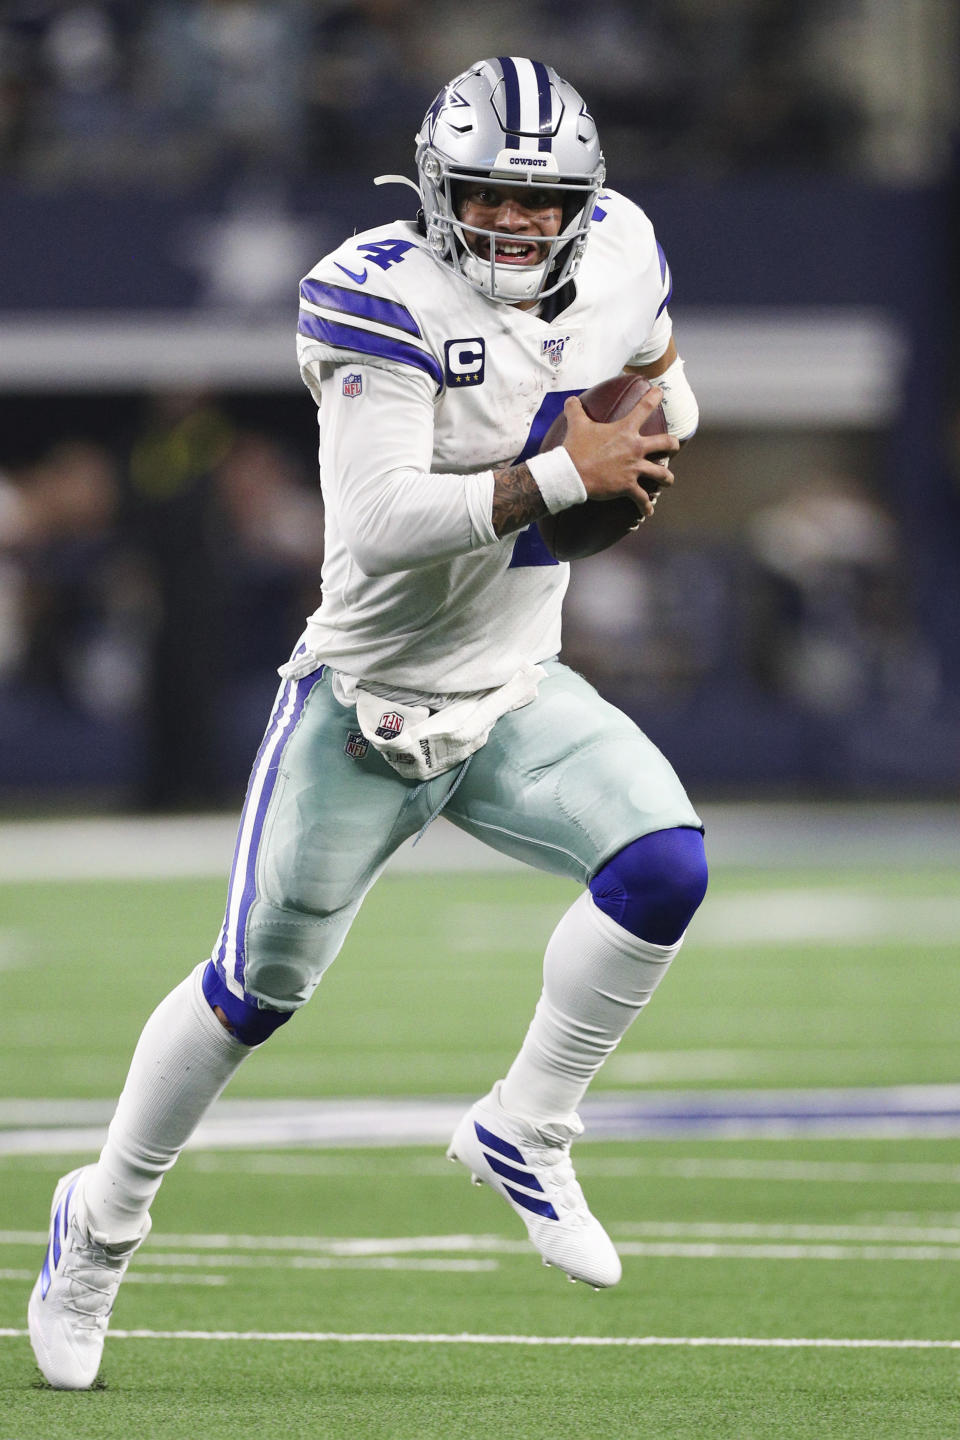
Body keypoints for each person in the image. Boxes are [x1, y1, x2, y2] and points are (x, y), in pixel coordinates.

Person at [28, 56, 708, 1390]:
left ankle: (525, 1126)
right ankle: (100, 1221)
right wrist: (571, 468)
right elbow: (385, 527)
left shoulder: (621, 250)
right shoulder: (375, 292)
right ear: (436, 187)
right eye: (490, 196)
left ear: (584, 200)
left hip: (516, 685)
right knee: (249, 995)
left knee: (665, 867)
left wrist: (653, 434)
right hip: (368, 702)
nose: (516, 223)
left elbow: (662, 378)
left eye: (540, 199)